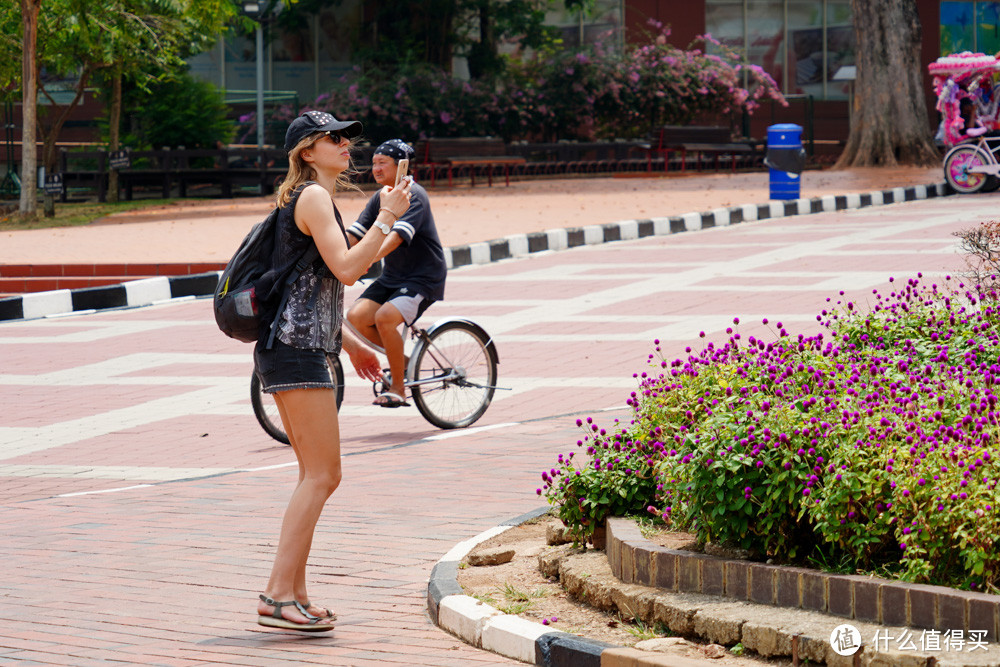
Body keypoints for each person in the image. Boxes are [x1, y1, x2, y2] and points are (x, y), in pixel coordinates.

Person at [254, 110, 412, 632]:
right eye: (333, 138)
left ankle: (294, 593)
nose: (347, 144)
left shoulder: (307, 199)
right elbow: (348, 269)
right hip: (297, 353)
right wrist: (389, 216)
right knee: (324, 474)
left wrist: (351, 345)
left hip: (297, 348)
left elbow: (310, 288)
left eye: (346, 137)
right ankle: (277, 595)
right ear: (307, 151)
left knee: (313, 475)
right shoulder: (313, 198)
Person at [346, 139, 447, 407]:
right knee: (356, 316)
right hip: (393, 277)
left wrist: (367, 259)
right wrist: (330, 252)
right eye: (374, 162)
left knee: (384, 318)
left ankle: (399, 388)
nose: (376, 168)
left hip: (422, 277)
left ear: (402, 167)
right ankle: (404, 364)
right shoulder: (381, 196)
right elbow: (355, 234)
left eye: (382, 163)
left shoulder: (414, 195)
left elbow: (396, 237)